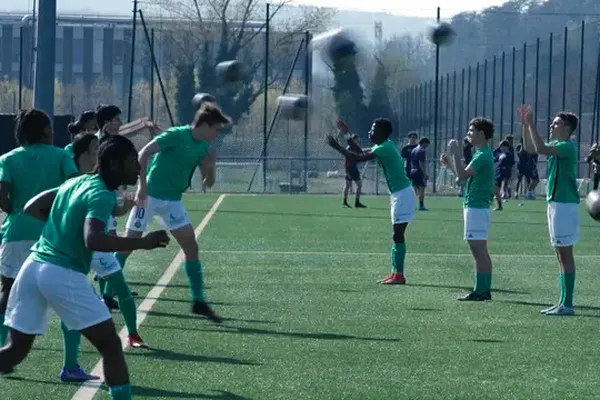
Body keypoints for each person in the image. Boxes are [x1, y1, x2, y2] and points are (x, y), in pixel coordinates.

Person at [0, 135, 169, 400]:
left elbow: (33, 206)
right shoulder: (101, 193)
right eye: (132, 161)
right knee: (111, 345)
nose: (138, 167)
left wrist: (67, 225)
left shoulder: (75, 182)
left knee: (13, 352)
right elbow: (94, 239)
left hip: (32, 268)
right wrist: (144, 243)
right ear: (114, 164)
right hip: (60, 273)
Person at [0, 110, 99, 382]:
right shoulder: (60, 156)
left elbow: (2, 196)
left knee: (7, 293)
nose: (52, 131)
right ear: (43, 131)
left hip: (15, 232)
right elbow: (72, 188)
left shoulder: (7, 158)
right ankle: (70, 365)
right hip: (51, 236)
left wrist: (15, 210)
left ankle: (2, 353)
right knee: (70, 298)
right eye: (48, 127)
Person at [114, 103, 229, 322]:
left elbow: (208, 184)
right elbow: (143, 154)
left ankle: (198, 302)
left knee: (191, 246)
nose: (217, 134)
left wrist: (211, 167)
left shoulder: (203, 148)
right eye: (216, 129)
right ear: (204, 125)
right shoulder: (176, 135)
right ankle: (107, 294)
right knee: (128, 244)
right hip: (150, 197)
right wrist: (142, 187)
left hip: (173, 201)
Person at [327, 118, 416, 285]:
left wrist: (337, 146)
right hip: (398, 194)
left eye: (373, 130)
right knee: (396, 235)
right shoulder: (382, 146)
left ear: (382, 133)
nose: (370, 132)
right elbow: (359, 151)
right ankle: (395, 273)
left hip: (403, 194)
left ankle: (399, 275)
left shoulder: (385, 146)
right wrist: (346, 134)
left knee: (397, 235)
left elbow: (359, 158)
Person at [520, 105, 579, 316]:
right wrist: (526, 126)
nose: (553, 125)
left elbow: (542, 149)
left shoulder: (567, 146)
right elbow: (530, 147)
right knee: (559, 254)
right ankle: (563, 302)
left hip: (564, 204)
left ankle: (568, 304)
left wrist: (532, 124)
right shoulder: (557, 143)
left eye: (556, 123)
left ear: (567, 127)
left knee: (565, 255)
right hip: (555, 203)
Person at [441, 118, 495, 301]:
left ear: (481, 134)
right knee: (478, 249)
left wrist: (455, 153)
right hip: (475, 206)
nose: (468, 134)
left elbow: (463, 174)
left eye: (471, 130)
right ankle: (482, 289)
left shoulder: (482, 154)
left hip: (477, 206)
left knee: (479, 250)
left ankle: (482, 290)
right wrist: (450, 162)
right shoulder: (481, 153)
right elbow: (463, 176)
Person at [343, 134, 366, 208]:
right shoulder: (349, 148)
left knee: (349, 186)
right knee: (358, 185)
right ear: (353, 140)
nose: (358, 141)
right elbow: (346, 160)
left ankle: (347, 202)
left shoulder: (355, 148)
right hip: (351, 169)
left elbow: (359, 156)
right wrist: (347, 170)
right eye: (357, 140)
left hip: (352, 169)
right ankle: (354, 202)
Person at [409, 137, 430, 211]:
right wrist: (425, 174)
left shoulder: (414, 150)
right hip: (419, 172)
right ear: (424, 143)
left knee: (414, 190)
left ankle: (410, 205)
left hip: (413, 171)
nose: (427, 146)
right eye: (427, 144)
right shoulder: (421, 150)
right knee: (421, 190)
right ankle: (421, 205)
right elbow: (421, 163)